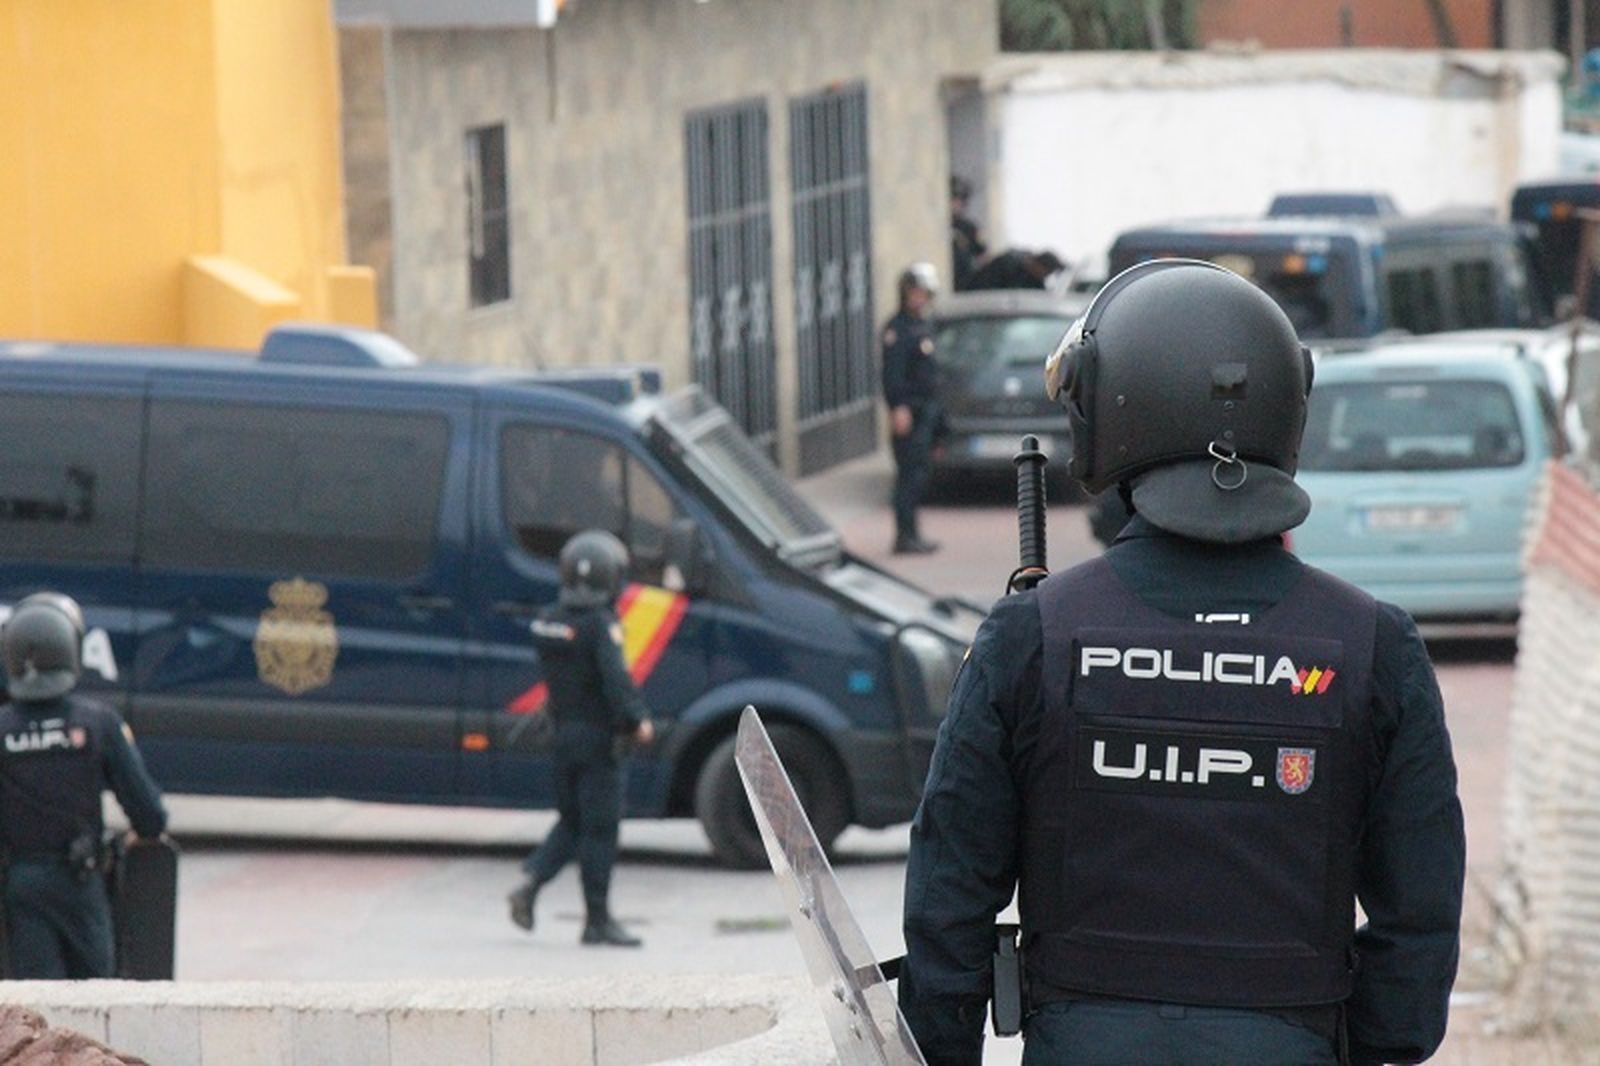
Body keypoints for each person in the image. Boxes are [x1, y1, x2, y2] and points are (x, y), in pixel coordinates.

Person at [899, 259, 1465, 1065]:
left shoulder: (1033, 637)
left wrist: (943, 1047)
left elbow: (949, 891)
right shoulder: (1375, 646)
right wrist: (1362, 1042)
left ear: (1111, 415)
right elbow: (1421, 912)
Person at [0, 592, 168, 979]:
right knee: (96, 1000)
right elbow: (150, 816)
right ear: (71, 652)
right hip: (81, 884)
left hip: (20, 887)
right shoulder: (99, 725)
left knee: (37, 1007)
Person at [507, 530, 655, 947]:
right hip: (598, 743)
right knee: (599, 830)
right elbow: (616, 681)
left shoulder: (550, 620)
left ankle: (531, 884)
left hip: (562, 737)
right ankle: (597, 920)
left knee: (572, 822)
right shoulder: (601, 624)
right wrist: (638, 720)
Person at [881, 262, 944, 555]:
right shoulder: (898, 330)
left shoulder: (923, 325)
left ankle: (913, 533)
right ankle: (904, 535)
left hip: (926, 411)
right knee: (908, 475)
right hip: (910, 411)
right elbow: (893, 374)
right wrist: (898, 407)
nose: (920, 299)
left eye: (924, 293)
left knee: (919, 475)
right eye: (915, 293)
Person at [950, 176, 989, 292]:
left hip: (964, 283)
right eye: (953, 199)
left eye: (958, 200)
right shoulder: (934, 226)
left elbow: (983, 256)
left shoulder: (968, 228)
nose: (955, 204)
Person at [965, 248, 1066, 292]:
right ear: (1039, 267)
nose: (1045, 277)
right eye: (1047, 272)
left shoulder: (1036, 283)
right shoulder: (1007, 266)